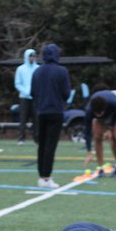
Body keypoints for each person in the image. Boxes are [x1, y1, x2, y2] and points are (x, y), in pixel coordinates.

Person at [31, 43, 71, 188]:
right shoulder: (62, 71)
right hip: (56, 111)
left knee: (41, 144)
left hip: (40, 112)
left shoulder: (37, 71)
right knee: (50, 145)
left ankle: (41, 176)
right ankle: (47, 177)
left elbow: (32, 93)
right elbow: (66, 93)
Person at [13, 48, 38, 144]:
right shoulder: (20, 69)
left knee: (37, 119)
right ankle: (21, 138)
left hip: (35, 97)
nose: (32, 58)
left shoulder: (38, 68)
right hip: (24, 97)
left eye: (33, 56)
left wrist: (35, 92)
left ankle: (37, 138)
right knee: (23, 119)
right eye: (30, 56)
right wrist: (26, 92)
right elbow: (17, 83)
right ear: (27, 57)